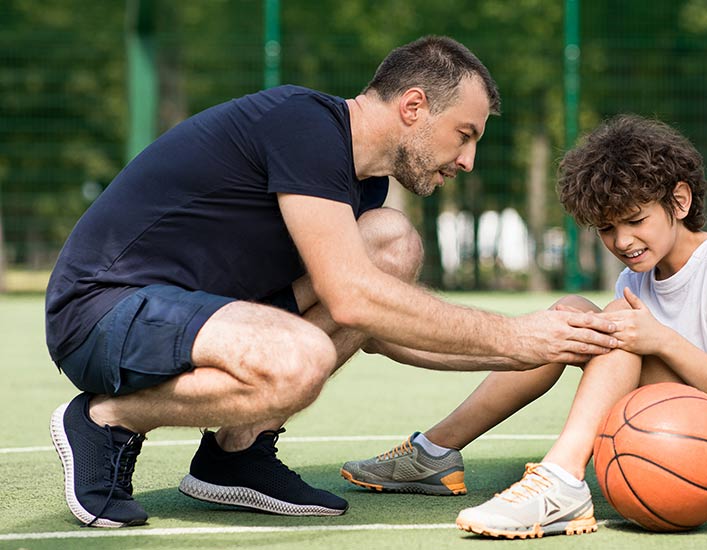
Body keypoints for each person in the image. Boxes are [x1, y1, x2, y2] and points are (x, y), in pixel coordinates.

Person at [45, 36, 618, 528]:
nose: (467, 160)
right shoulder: (305, 124)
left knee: (391, 243)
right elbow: (352, 297)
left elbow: (378, 326)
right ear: (414, 106)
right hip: (103, 310)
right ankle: (105, 419)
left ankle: (234, 454)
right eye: (463, 134)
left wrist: (541, 350)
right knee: (300, 358)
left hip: (195, 311)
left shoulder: (361, 184)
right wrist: (514, 335)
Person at [341, 114, 707, 539]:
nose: (622, 241)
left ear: (679, 201)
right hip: (677, 426)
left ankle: (561, 481)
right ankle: (435, 452)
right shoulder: (636, 279)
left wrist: (662, 340)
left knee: (615, 331)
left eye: (636, 220)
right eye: (606, 229)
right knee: (571, 315)